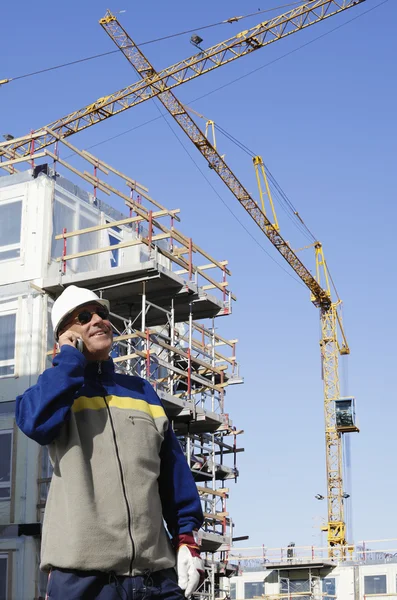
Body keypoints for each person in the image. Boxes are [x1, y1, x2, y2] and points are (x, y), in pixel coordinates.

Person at [16, 285, 204, 600]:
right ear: (65, 336)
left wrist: (187, 538)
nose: (99, 320)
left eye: (102, 314)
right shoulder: (57, 391)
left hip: (154, 579)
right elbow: (35, 422)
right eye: (84, 316)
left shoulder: (142, 392)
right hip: (82, 582)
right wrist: (69, 362)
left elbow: (173, 473)